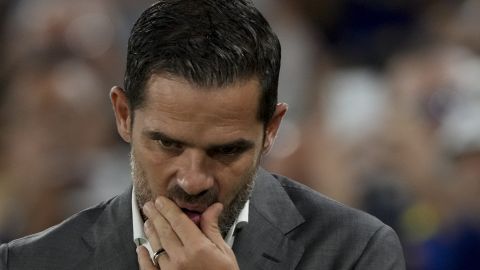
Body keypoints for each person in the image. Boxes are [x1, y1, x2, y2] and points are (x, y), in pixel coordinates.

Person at [0, 0, 406, 269]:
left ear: (272, 130)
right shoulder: (32, 262)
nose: (192, 179)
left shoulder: (355, 252)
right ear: (124, 115)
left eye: (226, 150)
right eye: (167, 143)